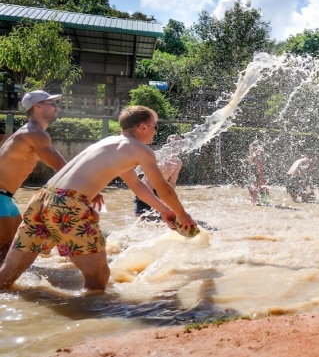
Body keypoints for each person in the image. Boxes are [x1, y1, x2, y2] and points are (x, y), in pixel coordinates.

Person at [0, 105, 196, 291]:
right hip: (68, 204)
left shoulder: (108, 142)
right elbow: (163, 188)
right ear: (142, 126)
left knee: (7, 275)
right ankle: (88, 321)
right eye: (154, 126)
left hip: (42, 198)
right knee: (99, 276)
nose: (155, 131)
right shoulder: (141, 150)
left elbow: (137, 185)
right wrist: (182, 214)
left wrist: (164, 210)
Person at [0, 90, 67, 262]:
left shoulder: (32, 132)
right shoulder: (33, 133)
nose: (56, 108)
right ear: (38, 106)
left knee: (13, 255)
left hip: (6, 198)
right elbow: (61, 167)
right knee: (8, 257)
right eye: (51, 104)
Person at [134, 134, 183, 220]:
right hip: (145, 189)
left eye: (179, 143)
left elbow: (172, 182)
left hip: (161, 191)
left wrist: (171, 198)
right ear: (168, 144)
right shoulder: (158, 157)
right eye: (173, 142)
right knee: (141, 219)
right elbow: (146, 176)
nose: (176, 145)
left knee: (161, 219)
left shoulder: (177, 163)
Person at [248, 141, 269, 205]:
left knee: (263, 187)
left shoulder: (262, 156)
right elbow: (250, 161)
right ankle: (255, 201)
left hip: (261, 173)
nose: (259, 150)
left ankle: (265, 200)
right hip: (256, 173)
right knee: (255, 187)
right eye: (258, 148)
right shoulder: (253, 156)